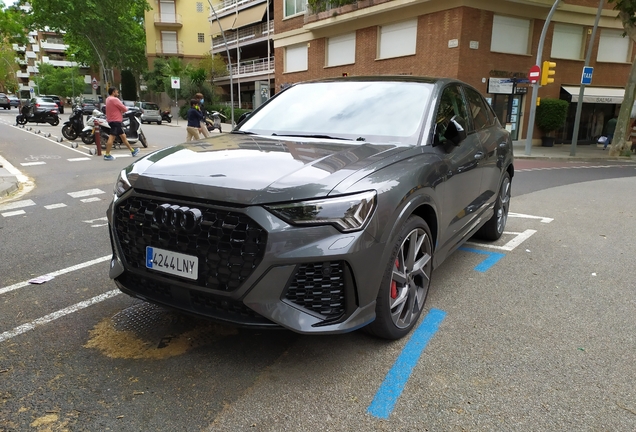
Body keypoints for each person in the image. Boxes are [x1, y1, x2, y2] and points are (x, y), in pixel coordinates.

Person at [103, 87, 139, 161]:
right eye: (117, 92)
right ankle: (107, 155)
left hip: (111, 120)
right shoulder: (115, 99)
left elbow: (114, 108)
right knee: (112, 137)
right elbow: (124, 108)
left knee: (123, 136)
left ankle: (132, 151)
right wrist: (125, 109)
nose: (118, 93)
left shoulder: (108, 99)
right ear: (113, 92)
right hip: (115, 121)